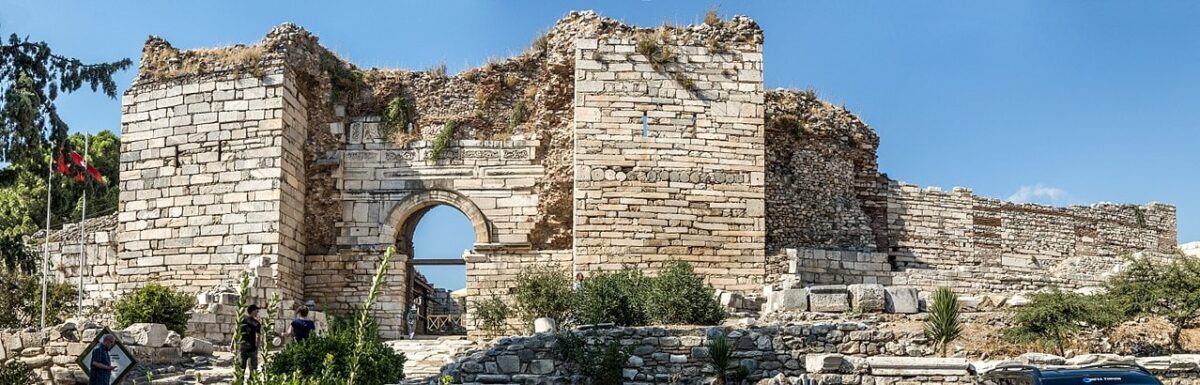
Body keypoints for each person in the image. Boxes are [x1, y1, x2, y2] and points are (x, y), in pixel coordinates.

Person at [237, 304, 263, 377]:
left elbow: (237, 333)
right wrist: (257, 346)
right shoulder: (256, 323)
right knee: (253, 369)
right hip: (252, 348)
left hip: (242, 347)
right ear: (253, 311)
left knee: (241, 368)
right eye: (256, 310)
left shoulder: (242, 321)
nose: (257, 312)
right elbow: (258, 336)